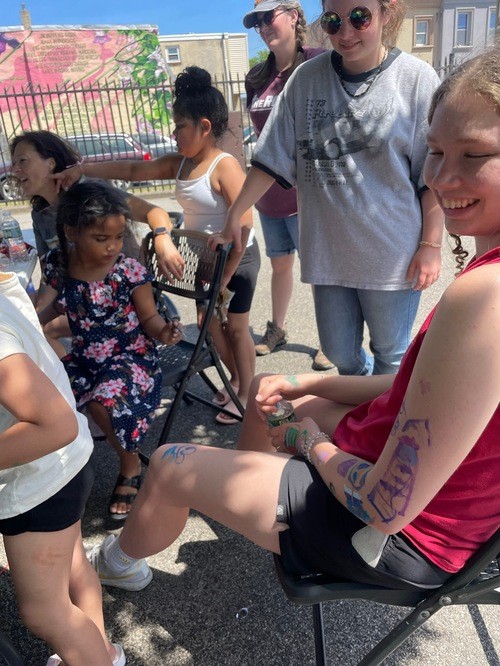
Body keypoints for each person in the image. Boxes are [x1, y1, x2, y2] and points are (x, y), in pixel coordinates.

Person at [86, 46, 500, 601]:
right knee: (271, 391)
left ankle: (117, 563)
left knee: (167, 462)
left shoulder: (485, 295)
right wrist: (310, 381)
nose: (443, 178)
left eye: (474, 154)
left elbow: (386, 506)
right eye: (436, 151)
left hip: (400, 539)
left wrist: (307, 441)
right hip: (426, 499)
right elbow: (420, 386)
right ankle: (250, 500)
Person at [215, 0, 445, 376]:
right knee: (340, 355)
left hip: (391, 255)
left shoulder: (416, 79)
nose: (346, 33)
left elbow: (431, 175)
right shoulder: (306, 80)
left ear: (386, 13)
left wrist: (431, 245)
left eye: (360, 17)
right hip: (328, 253)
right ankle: (361, 405)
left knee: (390, 357)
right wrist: (234, 214)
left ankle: (376, 415)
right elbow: (270, 158)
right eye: (334, 21)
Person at [55, 67, 260, 425]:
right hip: (205, 261)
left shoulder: (223, 165)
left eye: (180, 126)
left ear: (204, 127)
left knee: (237, 328)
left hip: (236, 260)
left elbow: (244, 223)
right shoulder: (181, 164)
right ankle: (237, 380)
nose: (173, 133)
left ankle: (248, 393)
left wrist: (225, 277)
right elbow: (133, 171)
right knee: (210, 324)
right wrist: (84, 169)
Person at [0, 269, 125, 664]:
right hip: (65, 465)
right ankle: (102, 652)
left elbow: (54, 425)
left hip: (35, 481)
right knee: (73, 569)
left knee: (44, 612)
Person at [38, 179, 182, 520]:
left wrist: (165, 332)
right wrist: (23, 324)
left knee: (102, 403)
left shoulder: (127, 271)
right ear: (71, 232)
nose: (112, 247)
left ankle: (130, 464)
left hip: (131, 358)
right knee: (41, 394)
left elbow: (150, 319)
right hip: (85, 360)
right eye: (101, 238)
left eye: (118, 237)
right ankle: (54, 473)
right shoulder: (59, 262)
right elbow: (45, 310)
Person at [10, 130, 184, 357]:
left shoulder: (92, 195)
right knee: (20, 322)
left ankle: (66, 375)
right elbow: (50, 277)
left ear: (51, 163)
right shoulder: (40, 213)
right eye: (14, 163)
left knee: (35, 331)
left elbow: (155, 212)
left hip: (122, 300)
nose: (15, 170)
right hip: (80, 299)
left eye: (22, 161)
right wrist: (37, 309)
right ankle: (68, 372)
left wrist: (162, 238)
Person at [243, 0, 331, 370]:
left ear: (294, 15)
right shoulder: (256, 77)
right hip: (269, 198)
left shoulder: (318, 63)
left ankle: (331, 340)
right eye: (257, 21)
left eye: (269, 17)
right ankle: (277, 329)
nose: (264, 26)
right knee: (280, 266)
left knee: (319, 272)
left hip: (308, 196)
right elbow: (262, 139)